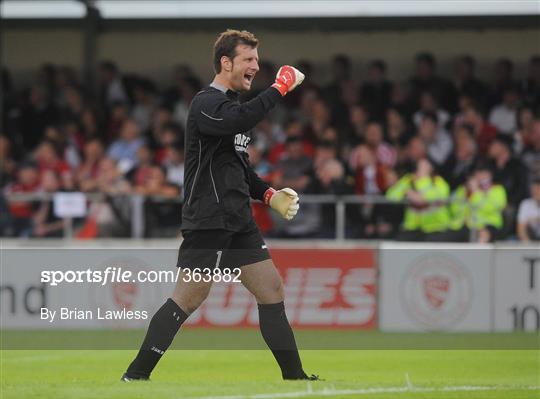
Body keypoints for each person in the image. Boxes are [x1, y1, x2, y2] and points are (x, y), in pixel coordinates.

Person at [122, 29, 318, 382]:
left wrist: (269, 194)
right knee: (188, 298)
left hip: (238, 219)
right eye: (248, 60)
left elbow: (239, 168)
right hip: (209, 218)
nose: (255, 67)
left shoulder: (232, 109)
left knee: (271, 288)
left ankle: (296, 377)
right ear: (225, 63)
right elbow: (237, 121)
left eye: (257, 61)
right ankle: (135, 376)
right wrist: (279, 88)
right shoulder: (206, 104)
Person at [386, 158, 450, 241]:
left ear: (431, 168)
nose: (421, 168)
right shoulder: (409, 179)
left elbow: (440, 196)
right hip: (412, 227)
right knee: (398, 246)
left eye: (425, 166)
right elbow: (391, 197)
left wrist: (416, 194)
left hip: (435, 227)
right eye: (420, 166)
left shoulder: (438, 181)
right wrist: (406, 191)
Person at [448, 165, 507, 243]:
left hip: (488, 224)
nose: (481, 177)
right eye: (478, 175)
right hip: (462, 226)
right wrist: (468, 195)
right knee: (442, 237)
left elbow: (490, 208)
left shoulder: (497, 189)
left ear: (490, 176)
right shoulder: (463, 189)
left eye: (484, 175)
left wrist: (476, 193)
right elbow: (454, 209)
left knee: (483, 235)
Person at [517, 177, 540, 242]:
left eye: (538, 189)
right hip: (530, 240)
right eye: (533, 189)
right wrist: (528, 245)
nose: (535, 192)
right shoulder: (525, 204)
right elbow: (520, 228)